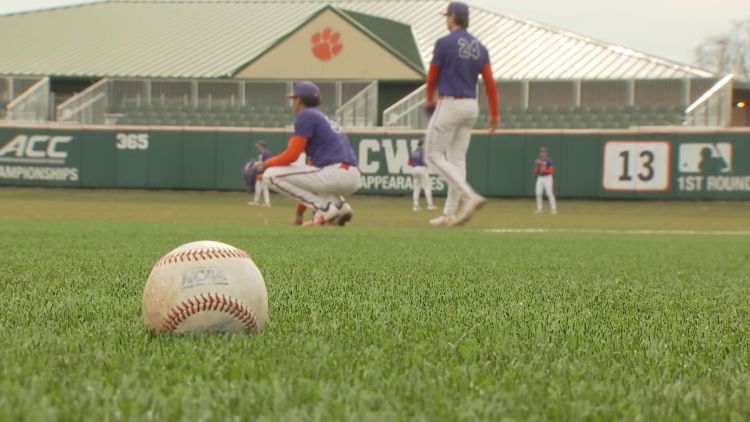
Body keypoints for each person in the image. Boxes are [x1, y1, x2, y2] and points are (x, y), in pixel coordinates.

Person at [425, 1, 499, 227]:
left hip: (450, 103)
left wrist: (429, 98)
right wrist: (494, 113)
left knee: (432, 155)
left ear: (454, 17)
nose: (446, 20)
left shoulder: (444, 43)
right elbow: (489, 82)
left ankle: (470, 196)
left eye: (448, 16)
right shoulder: (480, 47)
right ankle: (449, 214)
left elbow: (432, 75)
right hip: (471, 105)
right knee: (456, 160)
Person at [255, 81, 360, 226]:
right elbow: (307, 178)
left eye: (294, 99)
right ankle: (340, 207)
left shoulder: (306, 115)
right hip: (350, 175)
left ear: (299, 100)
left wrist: (265, 164)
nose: (292, 103)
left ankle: (324, 208)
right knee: (315, 178)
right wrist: (299, 212)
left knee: (270, 176)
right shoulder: (322, 118)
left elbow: (292, 155)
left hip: (335, 173)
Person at [409, 140, 437, 212]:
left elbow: (409, 162)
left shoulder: (413, 152)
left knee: (416, 189)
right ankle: (430, 205)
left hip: (414, 169)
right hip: (422, 168)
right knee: (427, 187)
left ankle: (415, 207)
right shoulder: (423, 151)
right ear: (423, 144)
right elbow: (426, 161)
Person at [533, 147, 557, 214]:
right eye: (541, 152)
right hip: (540, 178)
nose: (542, 153)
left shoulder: (549, 161)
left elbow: (551, 170)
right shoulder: (537, 161)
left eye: (544, 152)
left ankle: (553, 209)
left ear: (546, 153)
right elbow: (535, 170)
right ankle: (539, 209)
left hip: (548, 178)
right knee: (538, 193)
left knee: (549, 193)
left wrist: (544, 170)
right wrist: (538, 169)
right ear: (539, 153)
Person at [248, 140, 271, 207]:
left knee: (262, 187)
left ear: (261, 145)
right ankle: (260, 202)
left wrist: (258, 164)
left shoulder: (265, 153)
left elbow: (266, 163)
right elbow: (261, 162)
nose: (257, 146)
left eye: (258, 145)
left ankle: (264, 202)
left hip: (263, 172)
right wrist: (256, 162)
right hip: (261, 172)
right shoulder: (262, 153)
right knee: (260, 187)